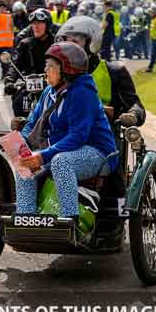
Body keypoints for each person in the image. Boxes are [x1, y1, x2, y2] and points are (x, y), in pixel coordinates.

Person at [17, 42, 118, 227]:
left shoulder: (82, 92)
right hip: (61, 150)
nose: (45, 70)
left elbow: (78, 136)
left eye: (51, 67)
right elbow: (32, 122)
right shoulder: (48, 92)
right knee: (24, 164)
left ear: (66, 70)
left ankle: (70, 220)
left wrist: (44, 155)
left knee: (61, 162)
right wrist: (21, 144)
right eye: (46, 65)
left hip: (98, 152)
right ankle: (26, 219)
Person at [55, 15, 146, 126]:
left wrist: (133, 114)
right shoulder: (57, 72)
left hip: (105, 133)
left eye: (75, 41)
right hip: (64, 132)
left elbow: (134, 103)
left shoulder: (114, 72)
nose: (69, 46)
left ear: (92, 42)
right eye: (66, 41)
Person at [4, 8, 55, 117]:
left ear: (47, 25)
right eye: (34, 23)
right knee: (19, 102)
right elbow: (15, 65)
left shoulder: (56, 44)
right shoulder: (25, 44)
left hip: (51, 84)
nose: (36, 26)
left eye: (40, 23)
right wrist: (9, 81)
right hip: (28, 84)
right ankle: (21, 129)